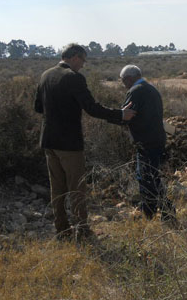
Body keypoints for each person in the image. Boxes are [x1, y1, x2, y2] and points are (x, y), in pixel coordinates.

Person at [34, 44, 135, 241]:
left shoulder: (45, 75)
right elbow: (92, 108)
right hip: (69, 143)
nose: (83, 65)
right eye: (83, 60)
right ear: (74, 57)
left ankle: (62, 230)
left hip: (48, 141)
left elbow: (38, 107)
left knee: (57, 188)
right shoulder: (74, 77)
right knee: (77, 187)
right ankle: (82, 231)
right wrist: (121, 114)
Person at [116, 64, 176, 224]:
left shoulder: (136, 91)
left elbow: (125, 116)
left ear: (129, 78)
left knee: (147, 178)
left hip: (147, 142)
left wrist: (109, 115)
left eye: (123, 81)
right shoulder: (150, 88)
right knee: (150, 177)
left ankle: (158, 213)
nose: (123, 84)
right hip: (156, 139)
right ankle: (156, 212)